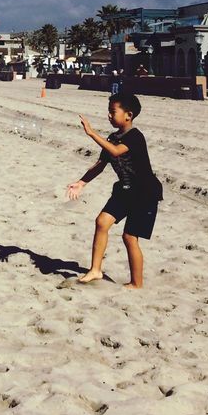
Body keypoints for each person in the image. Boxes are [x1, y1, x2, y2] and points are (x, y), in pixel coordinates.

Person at [66, 93, 162, 289]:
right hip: (125, 190)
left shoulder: (135, 136)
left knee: (129, 237)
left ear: (128, 115)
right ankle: (95, 270)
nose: (109, 116)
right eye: (108, 112)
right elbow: (101, 164)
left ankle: (137, 283)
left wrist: (92, 133)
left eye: (113, 112)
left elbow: (117, 152)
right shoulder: (112, 137)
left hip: (145, 193)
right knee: (102, 222)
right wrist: (81, 182)